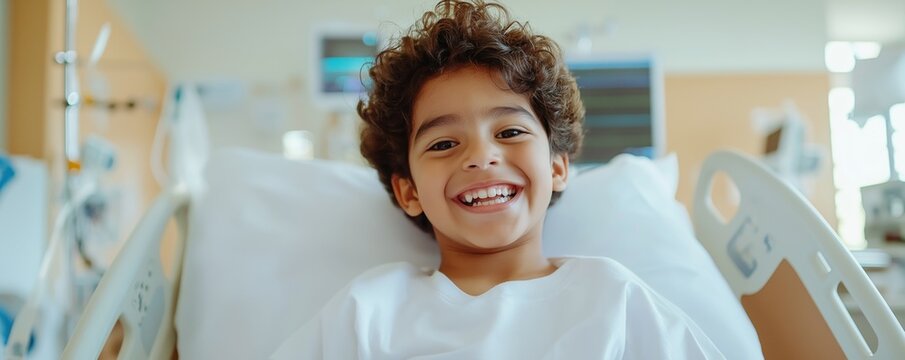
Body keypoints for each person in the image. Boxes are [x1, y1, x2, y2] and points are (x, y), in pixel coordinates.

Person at [273, 1, 724, 358]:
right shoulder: (370, 310)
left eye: (509, 132)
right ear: (408, 190)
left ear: (556, 167)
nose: (481, 157)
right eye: (443, 144)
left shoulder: (612, 299)